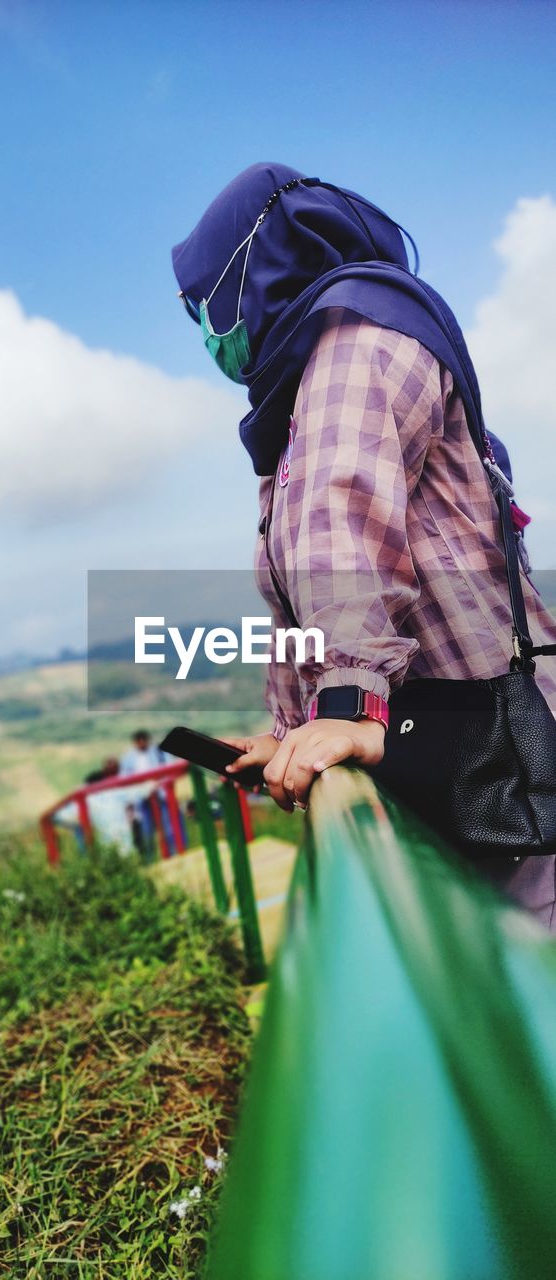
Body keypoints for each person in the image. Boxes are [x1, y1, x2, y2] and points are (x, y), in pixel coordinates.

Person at [172, 162, 556, 930]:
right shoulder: (306, 382)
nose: (209, 331)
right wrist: (290, 732)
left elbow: (340, 523)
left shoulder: (352, 341)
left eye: (205, 303)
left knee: (525, 979)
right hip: (440, 742)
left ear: (251, 269)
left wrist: (346, 703)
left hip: (484, 746)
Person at [119, 730, 184, 858]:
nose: (141, 743)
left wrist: (157, 784)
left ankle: (175, 854)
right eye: (139, 741)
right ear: (135, 743)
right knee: (147, 831)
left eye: (143, 740)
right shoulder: (128, 758)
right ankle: (151, 859)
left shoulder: (159, 753)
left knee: (169, 827)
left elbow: (171, 769)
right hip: (141, 799)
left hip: (162, 795)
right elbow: (124, 779)